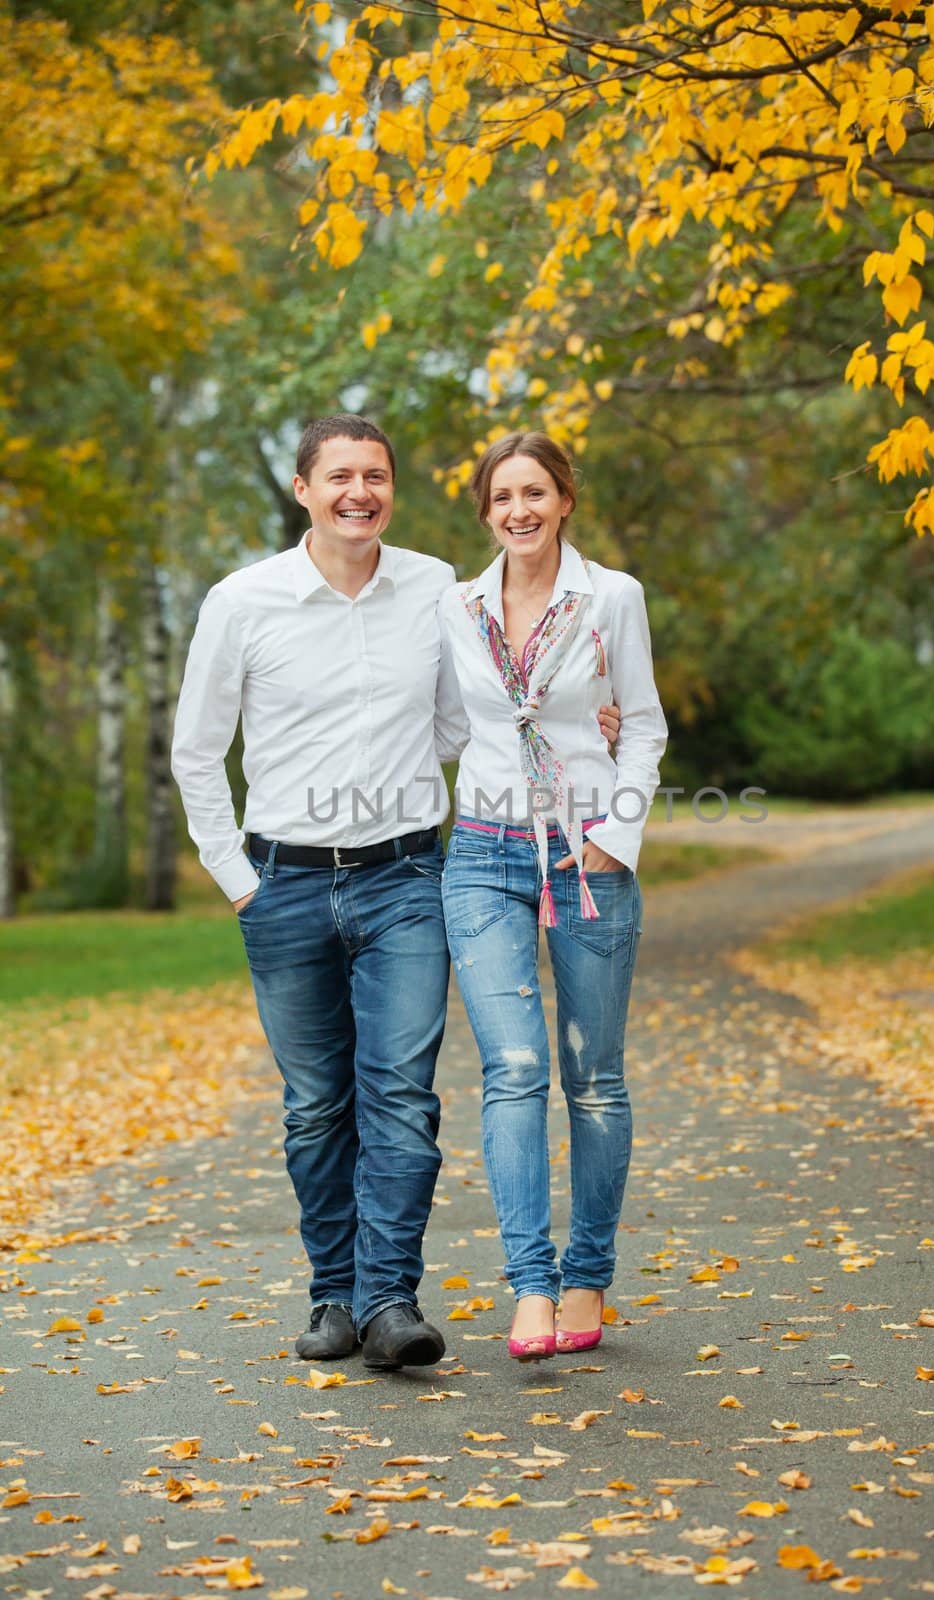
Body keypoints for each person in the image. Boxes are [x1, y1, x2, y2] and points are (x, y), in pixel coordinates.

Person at [171, 414, 619, 1371]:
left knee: (403, 1099)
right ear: (304, 489)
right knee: (314, 1106)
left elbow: (478, 718)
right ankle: (331, 1294)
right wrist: (238, 881)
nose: (358, 493)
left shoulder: (435, 591)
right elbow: (197, 754)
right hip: (282, 885)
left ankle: (387, 1300)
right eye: (339, 477)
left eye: (375, 476)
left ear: (391, 489)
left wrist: (592, 724)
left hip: (409, 878)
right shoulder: (242, 601)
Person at [437, 431, 668, 1362]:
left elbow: (643, 723)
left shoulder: (611, 597)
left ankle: (586, 1276)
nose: (518, 511)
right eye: (501, 498)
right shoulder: (457, 606)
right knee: (515, 1068)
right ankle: (529, 1284)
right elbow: (449, 723)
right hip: (484, 857)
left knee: (595, 1081)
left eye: (534, 493)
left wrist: (616, 833)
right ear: (486, 511)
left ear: (565, 498)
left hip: (588, 856)